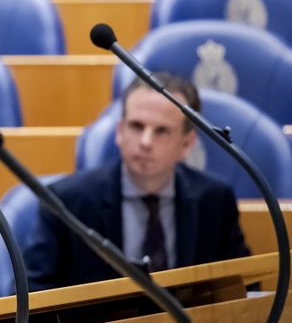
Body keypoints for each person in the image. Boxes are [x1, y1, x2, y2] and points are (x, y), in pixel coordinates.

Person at [26, 73, 250, 291]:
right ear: (119, 132)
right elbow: (32, 298)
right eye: (136, 126)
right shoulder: (67, 203)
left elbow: (243, 290)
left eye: (161, 131)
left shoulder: (215, 201)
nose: (145, 142)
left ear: (186, 144)